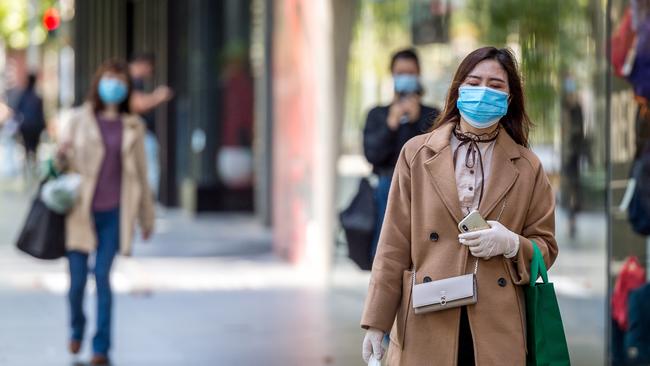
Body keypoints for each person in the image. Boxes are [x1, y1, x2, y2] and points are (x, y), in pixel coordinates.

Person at [360, 47, 559, 365]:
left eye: (495, 85)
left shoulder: (528, 167)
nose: (483, 92)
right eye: (474, 82)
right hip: (427, 315)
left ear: (509, 99)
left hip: (498, 325)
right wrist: (376, 322)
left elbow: (545, 247)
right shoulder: (416, 154)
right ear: (458, 90)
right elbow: (393, 245)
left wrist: (510, 244)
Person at [57, 59, 155, 365]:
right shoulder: (77, 119)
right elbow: (61, 166)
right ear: (98, 83)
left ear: (126, 88)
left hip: (114, 213)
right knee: (75, 284)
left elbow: (141, 173)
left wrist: (146, 218)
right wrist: (60, 156)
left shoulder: (134, 127)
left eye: (119, 81)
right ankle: (77, 328)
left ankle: (101, 347)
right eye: (108, 79)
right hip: (80, 213)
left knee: (102, 277)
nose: (113, 85)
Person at [363, 48, 439, 259]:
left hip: (423, 189)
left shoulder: (432, 115)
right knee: (386, 252)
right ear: (392, 75)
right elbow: (372, 155)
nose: (405, 78)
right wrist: (391, 124)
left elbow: (435, 155)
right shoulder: (377, 114)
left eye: (410, 72)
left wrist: (415, 122)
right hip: (386, 189)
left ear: (418, 74)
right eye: (400, 72)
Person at [128, 53, 173, 196]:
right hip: (137, 133)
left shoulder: (130, 79)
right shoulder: (131, 79)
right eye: (150, 68)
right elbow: (137, 104)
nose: (150, 72)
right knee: (149, 172)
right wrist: (158, 96)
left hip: (134, 133)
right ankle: (146, 203)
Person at [14, 73, 45, 177]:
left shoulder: (23, 95)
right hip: (35, 127)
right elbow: (41, 114)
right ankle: (33, 168)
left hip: (26, 127)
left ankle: (28, 168)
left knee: (27, 148)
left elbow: (17, 110)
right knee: (34, 148)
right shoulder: (37, 97)